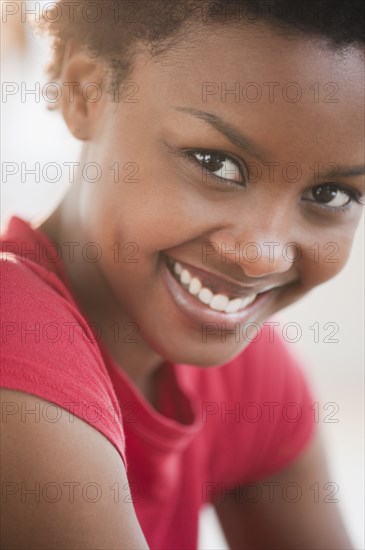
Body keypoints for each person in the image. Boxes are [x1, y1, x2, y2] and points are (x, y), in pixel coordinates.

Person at [1, 1, 363, 548]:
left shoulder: (244, 376)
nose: (262, 256)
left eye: (330, 194)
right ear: (84, 91)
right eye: (216, 163)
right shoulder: (15, 341)